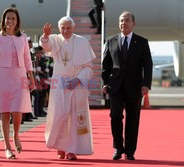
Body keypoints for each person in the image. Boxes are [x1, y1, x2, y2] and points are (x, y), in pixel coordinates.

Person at [39, 16, 95, 160]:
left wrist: (77, 80)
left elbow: (89, 68)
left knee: (75, 117)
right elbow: (46, 45)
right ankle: (60, 147)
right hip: (59, 84)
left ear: (73, 28)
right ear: (59, 29)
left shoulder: (82, 42)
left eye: (68, 28)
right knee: (59, 115)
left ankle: (72, 150)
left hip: (76, 84)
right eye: (63, 28)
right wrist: (45, 35)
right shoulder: (56, 39)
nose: (65, 31)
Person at [101, 11, 153, 160]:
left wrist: (146, 84)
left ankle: (130, 151)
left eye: (127, 20)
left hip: (135, 86)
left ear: (133, 23)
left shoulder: (142, 42)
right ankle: (118, 147)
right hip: (115, 86)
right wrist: (104, 83)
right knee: (115, 115)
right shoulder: (111, 41)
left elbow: (147, 65)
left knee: (133, 119)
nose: (124, 23)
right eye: (121, 21)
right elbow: (106, 65)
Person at [0, 7, 35, 159]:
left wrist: (31, 78)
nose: (10, 21)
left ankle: (16, 135)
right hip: (2, 77)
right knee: (5, 111)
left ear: (17, 21)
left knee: (18, 111)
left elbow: (28, 59)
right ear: (3, 20)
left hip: (19, 76)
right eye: (8, 18)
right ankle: (7, 147)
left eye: (13, 18)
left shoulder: (23, 38)